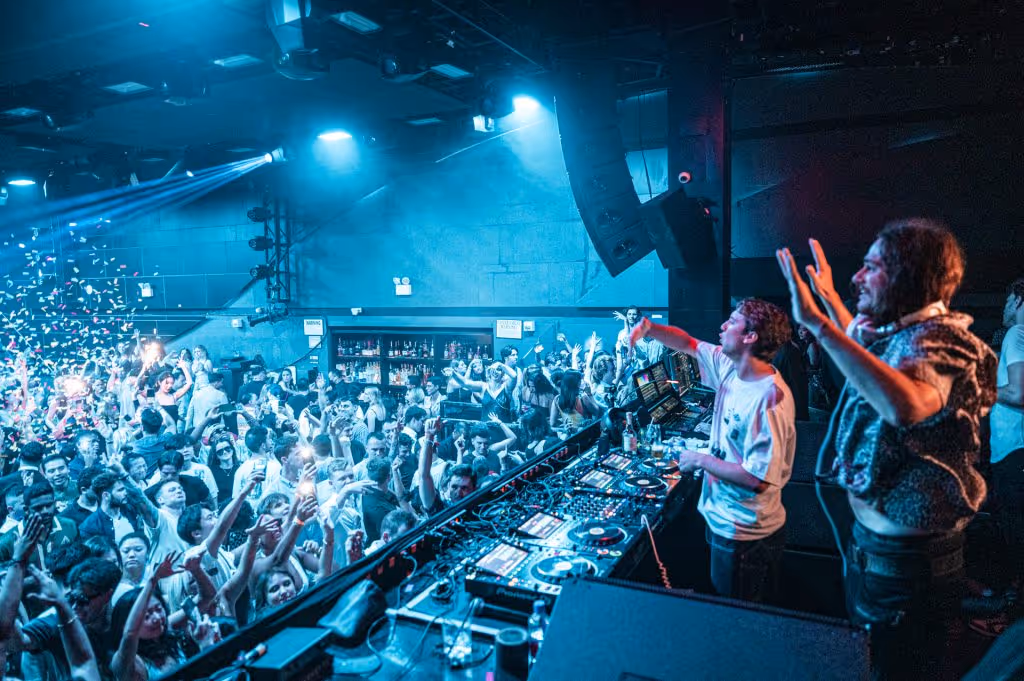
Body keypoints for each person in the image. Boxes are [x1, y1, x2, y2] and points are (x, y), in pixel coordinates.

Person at [776, 220, 996, 679]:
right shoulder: (906, 335)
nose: (857, 277)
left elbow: (907, 404)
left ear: (908, 276)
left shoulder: (944, 340)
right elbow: (866, 357)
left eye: (871, 267)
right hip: (881, 557)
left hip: (907, 572)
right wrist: (829, 300)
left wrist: (817, 324)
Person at [631, 298, 796, 603]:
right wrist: (650, 328)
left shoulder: (769, 398)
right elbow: (688, 343)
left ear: (750, 336)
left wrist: (700, 459)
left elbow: (758, 479)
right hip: (725, 520)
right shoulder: (731, 367)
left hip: (745, 534)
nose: (722, 326)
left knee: (737, 614)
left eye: (732, 321)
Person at [986, 277, 1024, 629]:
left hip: (1014, 451)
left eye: (1007, 300)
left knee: (1015, 535)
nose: (1003, 307)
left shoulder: (1016, 334)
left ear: (1019, 300)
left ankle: (1012, 622)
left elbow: (1018, 393)